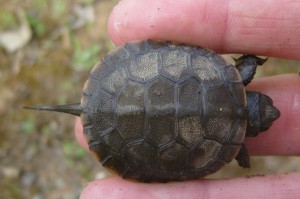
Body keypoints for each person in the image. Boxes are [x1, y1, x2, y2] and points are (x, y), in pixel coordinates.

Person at [76, 0, 300, 198]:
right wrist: (243, 159)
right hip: (120, 96)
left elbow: (249, 63)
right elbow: (240, 157)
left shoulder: (230, 80)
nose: (275, 113)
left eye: (263, 113)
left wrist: (252, 59)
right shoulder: (224, 150)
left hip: (119, 82)